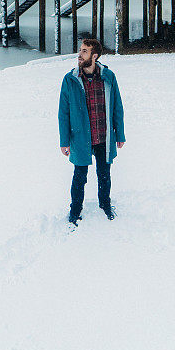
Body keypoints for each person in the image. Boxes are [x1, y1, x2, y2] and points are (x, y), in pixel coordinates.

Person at [58, 38, 125, 225]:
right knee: (79, 177)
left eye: (85, 51)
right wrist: (64, 141)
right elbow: (63, 113)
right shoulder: (70, 79)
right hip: (80, 137)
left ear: (94, 56)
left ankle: (105, 204)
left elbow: (117, 107)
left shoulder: (108, 77)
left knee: (105, 175)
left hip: (104, 135)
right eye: (80, 50)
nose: (80, 55)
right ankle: (75, 210)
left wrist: (119, 134)